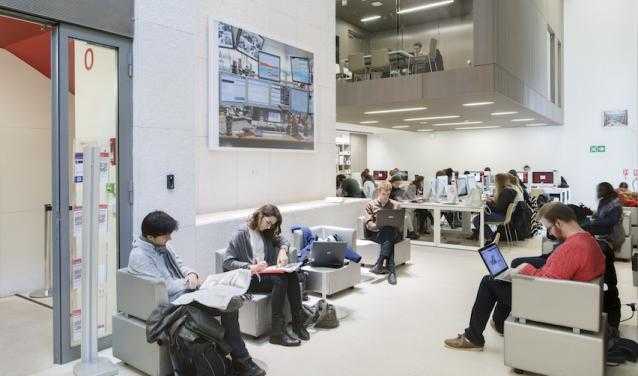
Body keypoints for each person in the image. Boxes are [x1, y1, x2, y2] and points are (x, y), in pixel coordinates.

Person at [444, 202, 606, 351]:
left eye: (548, 228)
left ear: (558, 223)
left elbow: (548, 283)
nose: (550, 234)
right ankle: (500, 324)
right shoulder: (587, 239)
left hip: (553, 302)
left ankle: (473, 338)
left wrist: (524, 270)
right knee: (503, 278)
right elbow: (556, 274)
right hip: (570, 297)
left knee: (489, 282)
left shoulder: (573, 247)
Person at [128, 211, 265, 376]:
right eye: (166, 236)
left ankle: (240, 360)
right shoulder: (139, 257)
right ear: (150, 237)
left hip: (187, 293)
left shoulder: (163, 245)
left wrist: (191, 274)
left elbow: (181, 265)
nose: (169, 239)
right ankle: (240, 361)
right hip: (175, 303)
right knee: (227, 304)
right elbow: (161, 287)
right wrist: (189, 283)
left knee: (230, 302)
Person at [222, 204, 309, 347]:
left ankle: (297, 324)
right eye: (268, 222)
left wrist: (282, 250)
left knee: (292, 275)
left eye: (272, 225)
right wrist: (251, 267)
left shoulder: (265, 231)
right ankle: (277, 333)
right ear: (260, 216)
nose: (269, 227)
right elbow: (227, 261)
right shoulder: (241, 233)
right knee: (280, 279)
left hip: (264, 275)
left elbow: (283, 240)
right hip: (248, 278)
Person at [363, 181, 403, 285]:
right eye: (383, 194)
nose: (386, 196)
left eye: (388, 194)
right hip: (377, 234)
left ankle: (380, 262)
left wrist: (393, 225)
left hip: (394, 233)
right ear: (378, 192)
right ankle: (391, 272)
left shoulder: (396, 205)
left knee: (389, 231)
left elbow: (400, 224)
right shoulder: (370, 205)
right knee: (388, 236)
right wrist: (377, 226)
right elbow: (368, 223)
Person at [468, 173, 517, 242]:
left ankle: (492, 237)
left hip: (501, 216)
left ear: (499, 182)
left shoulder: (506, 192)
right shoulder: (508, 190)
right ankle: (489, 235)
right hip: (502, 214)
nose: (494, 183)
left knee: (476, 220)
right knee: (479, 217)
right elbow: (500, 205)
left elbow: (498, 208)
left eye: (495, 181)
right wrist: (491, 201)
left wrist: (486, 202)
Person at [389, 174, 418, 239]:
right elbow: (390, 200)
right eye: (397, 183)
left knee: (410, 211)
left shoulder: (398, 189)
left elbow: (400, 197)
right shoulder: (389, 189)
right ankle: (411, 231)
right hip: (391, 209)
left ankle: (409, 231)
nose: (398, 185)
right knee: (406, 213)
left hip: (398, 206)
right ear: (392, 182)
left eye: (399, 183)